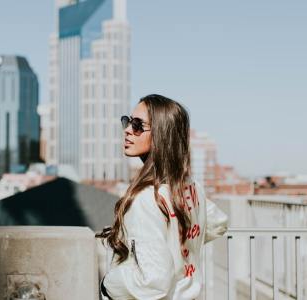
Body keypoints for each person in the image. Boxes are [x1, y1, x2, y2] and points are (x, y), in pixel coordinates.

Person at [97, 94, 228, 300]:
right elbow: (218, 222)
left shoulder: (146, 198)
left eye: (138, 125)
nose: (128, 130)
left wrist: (108, 283)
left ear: (161, 134)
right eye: (128, 122)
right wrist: (177, 246)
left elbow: (153, 283)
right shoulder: (190, 188)